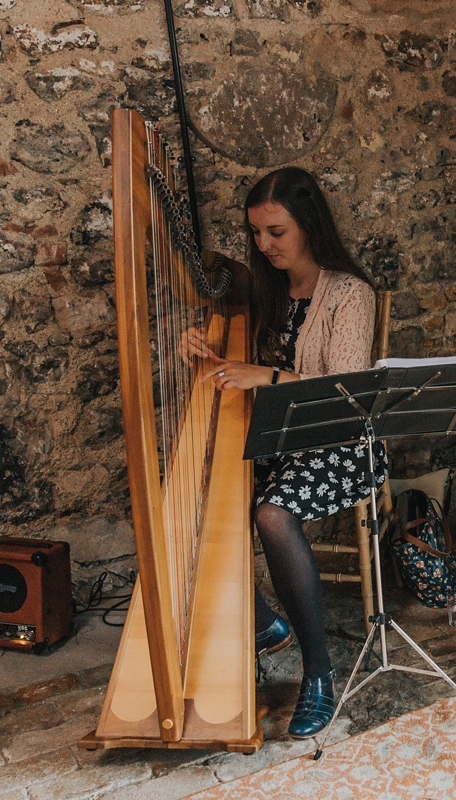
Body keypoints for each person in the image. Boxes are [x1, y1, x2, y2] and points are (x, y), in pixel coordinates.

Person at [182, 167, 383, 739]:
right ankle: (266, 622)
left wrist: (264, 375)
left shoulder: (350, 294)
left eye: (275, 232)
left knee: (271, 513)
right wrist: (192, 345)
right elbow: (230, 362)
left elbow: (342, 394)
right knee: (194, 495)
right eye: (256, 234)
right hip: (280, 438)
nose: (263, 246)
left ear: (308, 224)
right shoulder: (263, 291)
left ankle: (318, 673)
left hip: (339, 442)